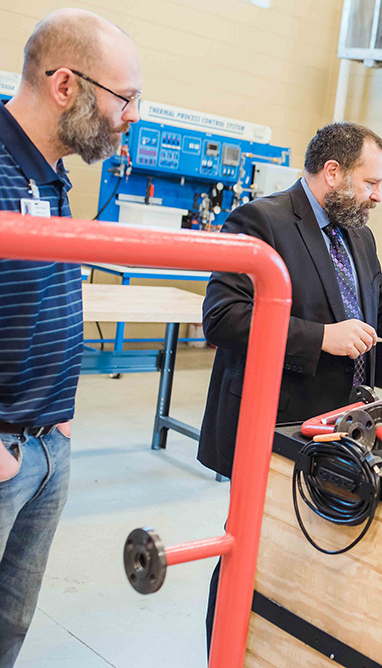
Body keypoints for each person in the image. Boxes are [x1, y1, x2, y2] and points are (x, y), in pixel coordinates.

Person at [198, 122, 382, 647]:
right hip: (278, 424)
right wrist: (321, 337)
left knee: (306, 552)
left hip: (340, 426)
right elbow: (223, 318)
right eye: (371, 183)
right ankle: (222, 649)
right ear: (333, 172)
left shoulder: (357, 232)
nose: (378, 196)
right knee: (252, 550)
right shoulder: (260, 221)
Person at [0, 10, 142, 665]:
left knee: (10, 624)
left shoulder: (48, 173)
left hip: (46, 444)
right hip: (5, 447)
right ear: (64, 86)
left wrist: (55, 424)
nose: (132, 116)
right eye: (124, 98)